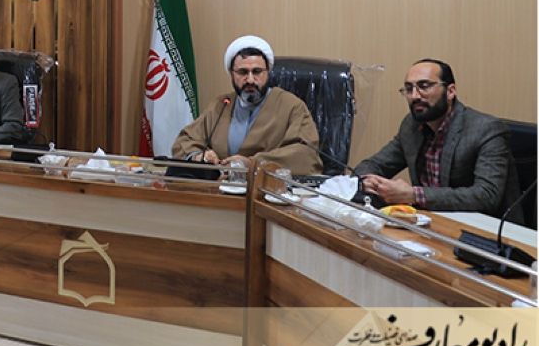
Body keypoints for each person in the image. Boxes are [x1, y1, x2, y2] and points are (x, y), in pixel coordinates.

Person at [354, 59, 521, 221]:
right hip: (432, 222)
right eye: (409, 89)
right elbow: (374, 164)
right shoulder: (411, 126)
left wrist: (414, 195)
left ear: (450, 91)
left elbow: (487, 196)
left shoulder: (486, 129)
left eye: (424, 86)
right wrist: (367, 181)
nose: (414, 96)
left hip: (487, 230)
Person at [172, 35, 322, 174]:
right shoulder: (221, 105)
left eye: (257, 72)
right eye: (243, 72)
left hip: (268, 188)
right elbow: (185, 141)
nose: (250, 80)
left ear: (268, 72)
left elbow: (306, 155)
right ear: (232, 74)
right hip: (221, 188)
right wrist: (199, 156)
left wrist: (252, 164)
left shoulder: (292, 106)